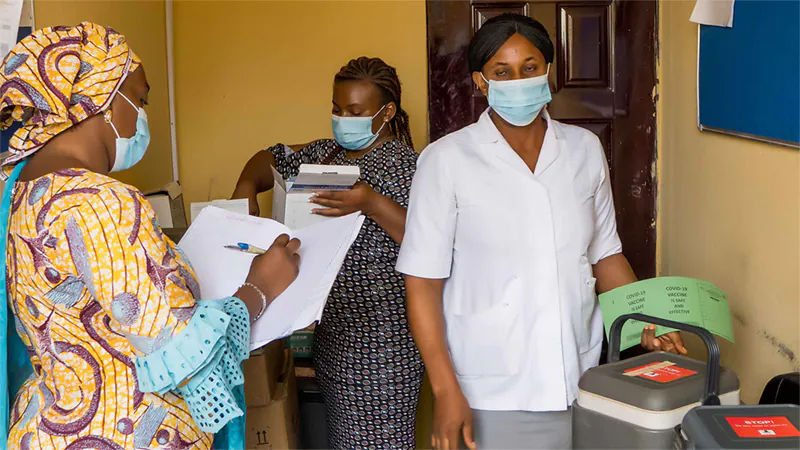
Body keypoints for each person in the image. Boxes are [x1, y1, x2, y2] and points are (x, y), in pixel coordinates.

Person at [0, 23, 300, 449]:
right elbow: (184, 352)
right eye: (139, 99)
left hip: (46, 428)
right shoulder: (101, 201)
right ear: (100, 98)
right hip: (123, 432)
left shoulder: (19, 191)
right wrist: (260, 286)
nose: (143, 114)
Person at [396, 13, 687, 450]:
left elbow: (605, 255)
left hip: (583, 377)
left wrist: (645, 319)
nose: (518, 80)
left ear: (548, 72)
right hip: (490, 388)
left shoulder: (583, 150)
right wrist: (444, 389)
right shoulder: (446, 161)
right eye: (502, 72)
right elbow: (421, 282)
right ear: (480, 81)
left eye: (529, 67)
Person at [232, 56, 422, 449]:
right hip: (335, 336)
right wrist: (247, 184)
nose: (342, 119)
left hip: (385, 345)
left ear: (386, 113)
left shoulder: (406, 166)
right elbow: (268, 158)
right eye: (337, 109)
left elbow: (425, 241)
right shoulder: (326, 154)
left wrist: (370, 201)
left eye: (355, 112)